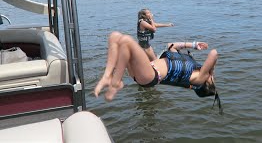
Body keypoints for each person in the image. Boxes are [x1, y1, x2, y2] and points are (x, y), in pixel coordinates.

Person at [94, 32, 222, 113]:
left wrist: (212, 70)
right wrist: (194, 44)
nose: (213, 78)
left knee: (127, 41)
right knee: (115, 37)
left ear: (207, 84)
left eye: (213, 80)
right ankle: (108, 76)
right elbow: (172, 45)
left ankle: (116, 82)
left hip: (151, 76)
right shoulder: (190, 66)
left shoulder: (199, 80)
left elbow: (214, 53)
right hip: (144, 71)